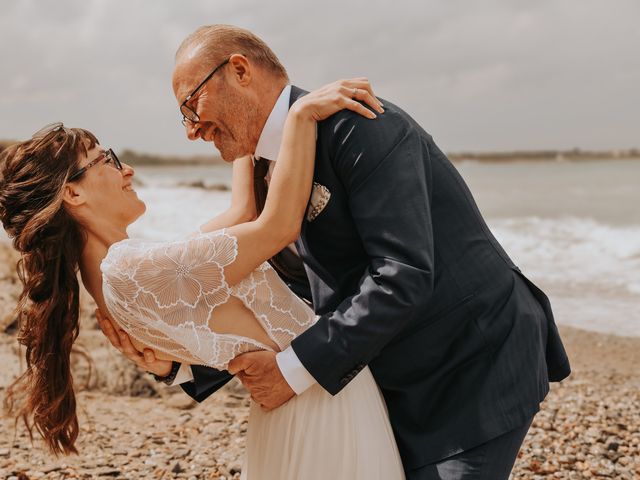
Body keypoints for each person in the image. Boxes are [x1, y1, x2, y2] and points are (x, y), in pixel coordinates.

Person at [102, 24, 571, 480]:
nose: (191, 129)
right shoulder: (262, 168)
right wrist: (180, 364)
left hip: (469, 368)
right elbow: (282, 299)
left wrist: (290, 372)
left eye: (191, 104)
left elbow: (401, 274)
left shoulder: (360, 125)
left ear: (240, 71)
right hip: (384, 380)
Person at [0, 81, 405, 479]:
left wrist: (243, 130)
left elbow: (243, 213)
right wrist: (300, 116)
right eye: (107, 158)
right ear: (72, 195)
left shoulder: (130, 272)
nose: (128, 169)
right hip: (320, 403)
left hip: (290, 407)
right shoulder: (129, 271)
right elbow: (277, 226)